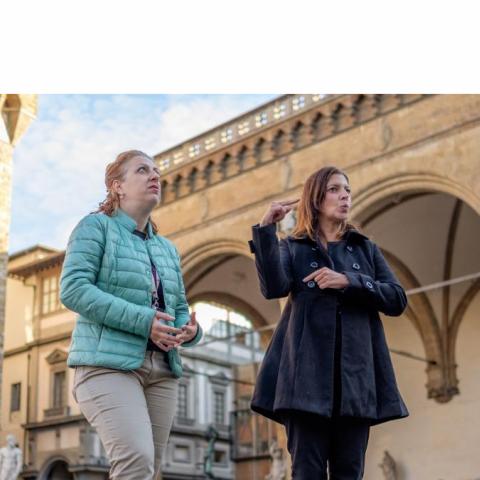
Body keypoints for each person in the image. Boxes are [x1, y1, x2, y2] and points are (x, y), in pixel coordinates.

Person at [249, 166, 408, 479]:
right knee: (306, 472)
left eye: (347, 189)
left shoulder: (365, 248)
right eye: (335, 189)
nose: (345, 195)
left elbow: (397, 299)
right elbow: (273, 288)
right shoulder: (292, 248)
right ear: (316, 198)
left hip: (356, 383)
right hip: (303, 382)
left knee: (349, 473)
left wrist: (349, 280)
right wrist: (266, 231)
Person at [60, 150, 202, 480]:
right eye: (142, 170)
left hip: (162, 370)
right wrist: (144, 322)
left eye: (156, 171)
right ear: (117, 186)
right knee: (135, 460)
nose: (155, 176)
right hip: (105, 365)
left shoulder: (167, 248)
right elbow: (73, 289)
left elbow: (179, 308)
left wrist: (189, 331)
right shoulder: (95, 227)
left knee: (150, 471)